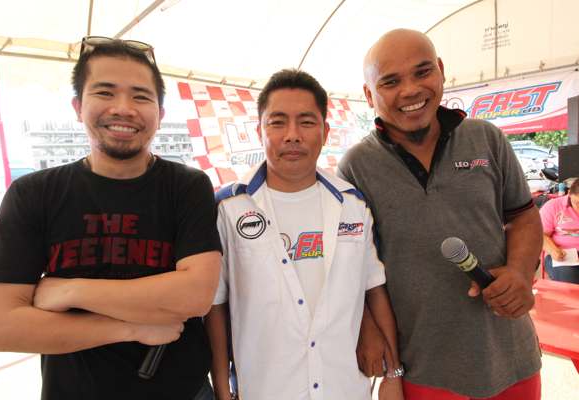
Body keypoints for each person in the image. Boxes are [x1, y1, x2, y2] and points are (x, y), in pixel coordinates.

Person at [0, 37, 221, 400]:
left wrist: (68, 290)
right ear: (78, 106)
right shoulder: (34, 193)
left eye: (141, 96)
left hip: (183, 390)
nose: (123, 109)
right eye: (105, 92)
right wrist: (131, 328)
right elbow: (0, 328)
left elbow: (195, 295)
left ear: (160, 114)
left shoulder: (186, 186)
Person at [338, 29, 543, 400]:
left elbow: (523, 217)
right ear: (368, 95)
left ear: (441, 71)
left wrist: (518, 271)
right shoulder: (356, 166)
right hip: (424, 368)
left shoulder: (486, 138)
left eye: (422, 72)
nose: (410, 90)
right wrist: (370, 332)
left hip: (513, 358)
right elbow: (352, 264)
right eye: (390, 82)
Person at [204, 69, 403, 400]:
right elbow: (216, 306)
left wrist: (393, 374)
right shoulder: (229, 208)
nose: (292, 135)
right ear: (259, 131)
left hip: (344, 388)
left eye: (307, 122)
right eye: (278, 122)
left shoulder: (352, 204)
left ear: (325, 132)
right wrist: (223, 391)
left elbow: (374, 288)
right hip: (265, 390)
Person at [540, 177, 579, 283]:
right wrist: (552, 250)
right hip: (563, 255)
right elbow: (540, 235)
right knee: (570, 278)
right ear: (569, 193)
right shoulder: (553, 207)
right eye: (577, 203)